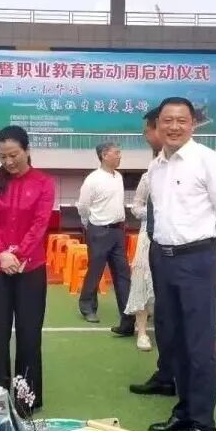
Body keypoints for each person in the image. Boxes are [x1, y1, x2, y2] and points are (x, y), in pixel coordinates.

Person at [146, 97, 216, 431]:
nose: (173, 127)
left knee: (199, 346)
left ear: (193, 124)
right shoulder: (157, 165)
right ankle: (184, 411)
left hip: (197, 257)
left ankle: (204, 426)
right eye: (167, 120)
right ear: (157, 125)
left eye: (181, 120)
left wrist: (213, 253)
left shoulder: (208, 161)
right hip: (163, 257)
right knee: (172, 339)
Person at [0, 126, 55, 409]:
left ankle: (26, 397)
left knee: (29, 333)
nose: (8, 162)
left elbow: (40, 223)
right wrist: (2, 253)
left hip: (30, 267)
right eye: (3, 157)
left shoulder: (44, 183)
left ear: (27, 150)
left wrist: (18, 253)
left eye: (14, 155)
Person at [128, 108, 176, 396]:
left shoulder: (199, 162)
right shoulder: (153, 169)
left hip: (183, 248)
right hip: (152, 239)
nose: (146, 136)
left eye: (148, 131)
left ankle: (180, 379)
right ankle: (164, 368)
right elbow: (137, 205)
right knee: (146, 287)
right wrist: (149, 216)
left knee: (177, 310)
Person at [77, 142, 134, 336]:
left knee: (123, 273)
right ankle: (87, 307)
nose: (120, 156)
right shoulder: (93, 179)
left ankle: (128, 314)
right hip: (99, 230)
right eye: (116, 153)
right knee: (96, 271)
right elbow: (83, 206)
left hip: (118, 231)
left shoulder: (118, 177)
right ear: (104, 155)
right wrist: (88, 223)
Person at [124, 171, 154, 351]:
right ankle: (142, 332)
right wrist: (154, 212)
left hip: (175, 239)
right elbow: (136, 207)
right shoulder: (148, 177)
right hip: (147, 237)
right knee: (141, 281)